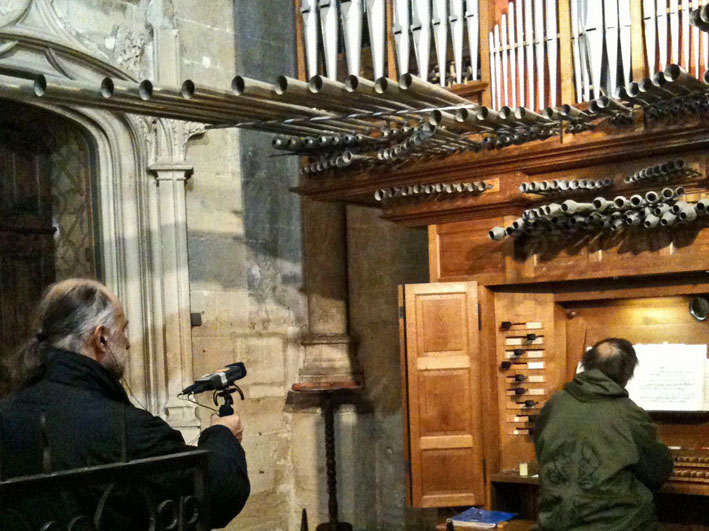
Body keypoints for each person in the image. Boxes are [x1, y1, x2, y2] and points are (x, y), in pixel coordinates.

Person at [0, 279, 250, 529]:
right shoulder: (125, 429)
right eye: (123, 329)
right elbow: (220, 490)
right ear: (101, 338)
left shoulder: (6, 414)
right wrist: (222, 434)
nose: (129, 342)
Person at [534, 338, 673, 531]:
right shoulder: (629, 413)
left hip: (555, 522)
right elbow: (657, 471)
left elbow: (542, 452)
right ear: (627, 374)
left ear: (587, 365)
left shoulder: (554, 403)